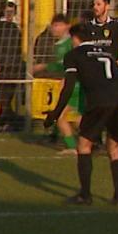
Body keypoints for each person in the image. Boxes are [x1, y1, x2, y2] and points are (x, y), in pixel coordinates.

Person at [44, 23, 118, 206]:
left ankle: (85, 195)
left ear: (75, 38)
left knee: (84, 145)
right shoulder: (106, 53)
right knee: (114, 147)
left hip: (101, 99)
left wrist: (54, 115)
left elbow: (68, 88)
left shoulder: (73, 55)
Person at [33, 14, 82, 155]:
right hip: (73, 82)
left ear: (67, 26)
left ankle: (73, 146)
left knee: (62, 116)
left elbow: (67, 65)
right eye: (53, 25)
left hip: (76, 84)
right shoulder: (60, 44)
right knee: (75, 119)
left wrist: (44, 67)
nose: (53, 28)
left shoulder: (69, 44)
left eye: (57, 25)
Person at [0, 2, 24, 127]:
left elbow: (17, 48)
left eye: (11, 12)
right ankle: (0, 121)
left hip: (13, 66)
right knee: (1, 95)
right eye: (7, 11)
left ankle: (4, 121)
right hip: (1, 66)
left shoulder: (15, 28)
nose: (9, 14)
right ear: (3, 12)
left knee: (8, 95)